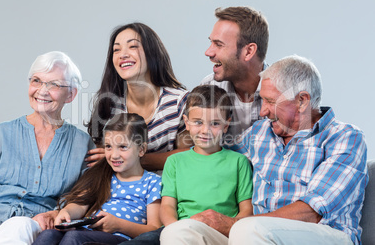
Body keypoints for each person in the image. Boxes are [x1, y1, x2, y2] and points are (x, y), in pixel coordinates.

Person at [171, 55, 368, 245]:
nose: (263, 111)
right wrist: (144, 159)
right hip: (253, 235)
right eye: (262, 100)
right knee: (182, 230)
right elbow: (212, 152)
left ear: (302, 101)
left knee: (248, 229)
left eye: (271, 102)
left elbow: (312, 212)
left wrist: (235, 223)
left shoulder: (344, 137)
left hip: (323, 234)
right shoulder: (260, 132)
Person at [0, 51, 95, 244]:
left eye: (54, 84)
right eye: (36, 81)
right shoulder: (3, 133)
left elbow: (85, 195)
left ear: (71, 94)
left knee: (17, 228)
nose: (42, 90)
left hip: (33, 223)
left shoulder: (81, 143)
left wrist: (58, 212)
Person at [127, 85, 253, 245]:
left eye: (214, 124)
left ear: (226, 125)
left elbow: (246, 209)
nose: (205, 130)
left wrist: (233, 230)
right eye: (198, 122)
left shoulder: (238, 162)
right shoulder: (175, 161)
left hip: (220, 233)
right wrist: (174, 229)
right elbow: (167, 207)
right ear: (186, 123)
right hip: (179, 229)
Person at [33, 113, 162, 245]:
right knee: (49, 235)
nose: (114, 155)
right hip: (86, 231)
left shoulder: (152, 182)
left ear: (141, 149)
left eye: (123, 147)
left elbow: (154, 229)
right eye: (108, 147)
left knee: (74, 238)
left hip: (119, 237)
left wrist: (118, 225)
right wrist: (66, 212)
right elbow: (80, 204)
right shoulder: (102, 175)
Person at [86, 22, 191, 172]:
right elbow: (102, 158)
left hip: (166, 192)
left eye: (133, 46)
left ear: (152, 52)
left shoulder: (179, 103)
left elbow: (189, 157)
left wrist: (134, 158)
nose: (123, 54)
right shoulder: (109, 105)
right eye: (116, 50)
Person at [201, 6, 269, 144]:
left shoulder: (283, 90)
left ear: (249, 51)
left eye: (219, 45)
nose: (208, 52)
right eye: (211, 42)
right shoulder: (209, 87)